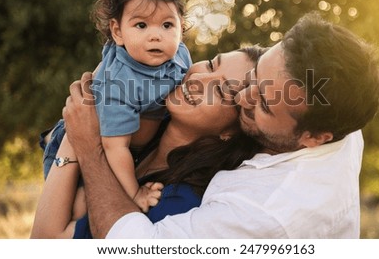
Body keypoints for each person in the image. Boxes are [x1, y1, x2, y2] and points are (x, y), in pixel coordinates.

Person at [59, 12, 379, 238]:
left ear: (314, 137)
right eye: (255, 78)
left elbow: (129, 247)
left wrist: (88, 147)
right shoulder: (339, 103)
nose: (243, 96)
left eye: (262, 103)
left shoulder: (264, 212)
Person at [31, 45, 265, 238]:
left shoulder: (177, 200)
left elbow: (45, 242)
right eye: (212, 64)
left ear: (230, 132)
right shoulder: (142, 126)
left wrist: (81, 138)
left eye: (221, 90)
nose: (198, 78)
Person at [41, 0, 193, 219]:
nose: (156, 35)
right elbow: (114, 147)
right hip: (91, 143)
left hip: (133, 148)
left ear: (180, 25)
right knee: (79, 209)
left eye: (167, 25)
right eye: (141, 25)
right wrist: (135, 194)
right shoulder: (119, 81)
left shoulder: (179, 55)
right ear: (117, 31)